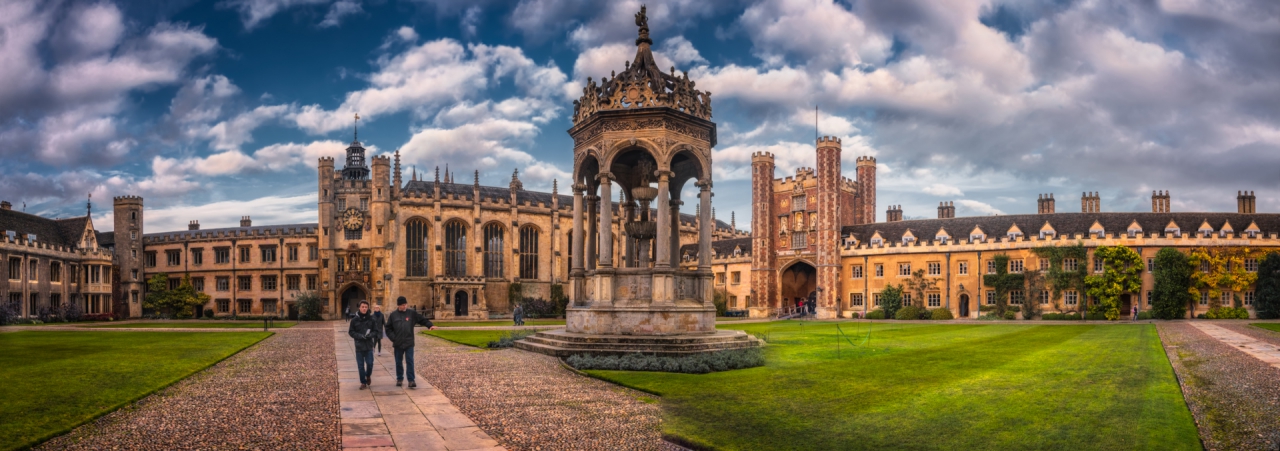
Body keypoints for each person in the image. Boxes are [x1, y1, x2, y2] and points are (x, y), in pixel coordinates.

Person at [384, 296, 435, 388]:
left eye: (405, 304)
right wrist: (393, 338)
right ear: (398, 305)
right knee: (398, 362)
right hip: (398, 343)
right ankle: (399, 378)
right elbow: (388, 328)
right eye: (403, 305)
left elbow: (421, 319)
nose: (405, 306)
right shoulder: (393, 315)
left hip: (409, 342)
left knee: (410, 361)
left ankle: (411, 380)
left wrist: (429, 325)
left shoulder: (411, 313)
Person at [347, 301, 377, 390]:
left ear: (368, 308)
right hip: (359, 346)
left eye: (366, 307)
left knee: (370, 363)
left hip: (368, 346)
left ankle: (368, 375)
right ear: (359, 308)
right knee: (360, 366)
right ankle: (363, 382)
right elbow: (351, 332)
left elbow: (375, 331)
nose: (364, 308)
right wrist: (360, 336)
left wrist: (369, 335)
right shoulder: (354, 320)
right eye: (362, 307)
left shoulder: (372, 319)